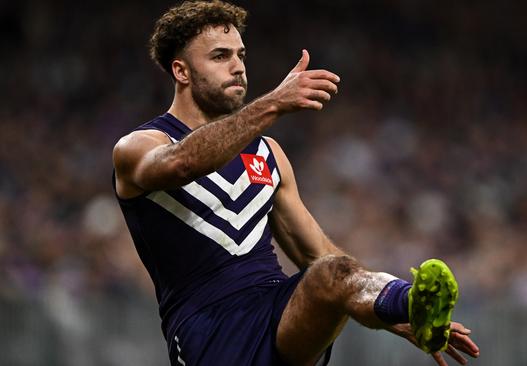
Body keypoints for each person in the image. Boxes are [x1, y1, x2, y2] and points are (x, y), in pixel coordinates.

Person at [112, 1, 479, 365]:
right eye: (220, 56)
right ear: (182, 71)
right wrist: (273, 103)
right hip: (209, 332)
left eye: (241, 55)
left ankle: (409, 299)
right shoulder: (140, 146)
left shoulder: (267, 154)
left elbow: (317, 254)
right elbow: (183, 164)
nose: (238, 67)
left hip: (277, 312)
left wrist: (391, 312)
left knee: (333, 269)